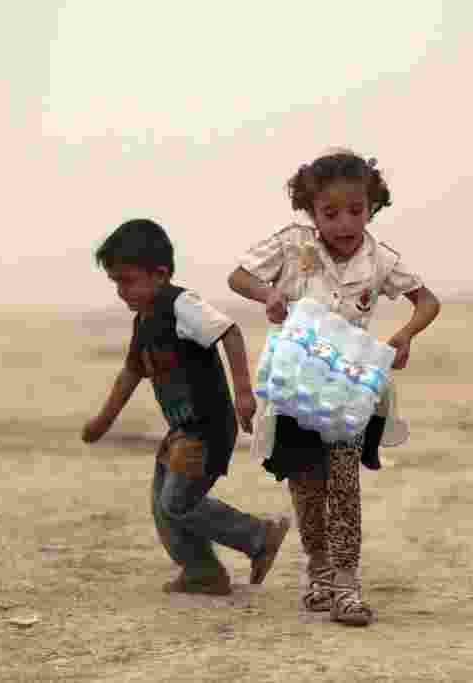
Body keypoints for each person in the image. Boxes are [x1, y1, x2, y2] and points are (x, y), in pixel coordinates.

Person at [227, 150, 441, 625]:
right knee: (306, 482)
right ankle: (319, 572)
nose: (344, 223)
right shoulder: (291, 246)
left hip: (348, 388)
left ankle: (347, 584)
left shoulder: (380, 258)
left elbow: (427, 301)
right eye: (330, 213)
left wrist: (404, 336)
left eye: (355, 211)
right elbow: (238, 275)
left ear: (371, 207)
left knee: (344, 484)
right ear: (311, 211)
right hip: (295, 385)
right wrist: (269, 293)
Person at [83, 218, 291, 595]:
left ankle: (258, 536)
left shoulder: (180, 304)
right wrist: (103, 421)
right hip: (182, 431)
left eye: (127, 281)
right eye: (116, 282)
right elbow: (130, 373)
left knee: (178, 502)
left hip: (208, 428)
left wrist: (243, 392)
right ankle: (202, 571)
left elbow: (229, 331)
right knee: (164, 508)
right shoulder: (143, 321)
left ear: (159, 274)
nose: (121, 291)